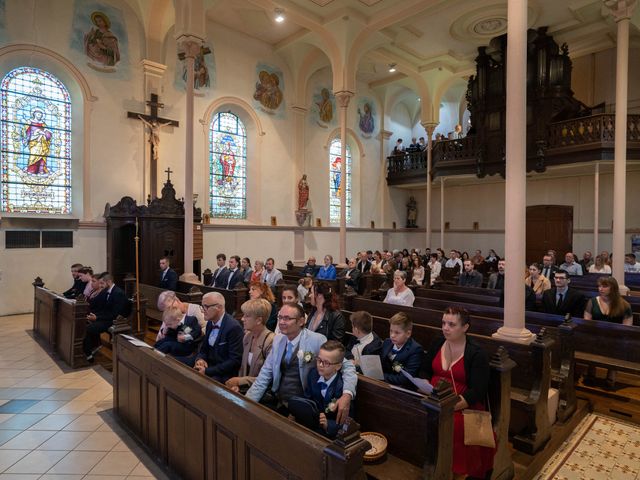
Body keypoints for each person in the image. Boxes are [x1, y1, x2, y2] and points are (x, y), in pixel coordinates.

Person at [245, 303, 356, 423]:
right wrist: (247, 403)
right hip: (279, 399)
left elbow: (346, 365)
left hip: (303, 405)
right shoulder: (278, 339)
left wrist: (347, 394)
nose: (281, 322)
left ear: (301, 321)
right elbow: (265, 375)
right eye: (280, 317)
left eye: (287, 318)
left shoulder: (316, 340)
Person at [422, 307, 495, 479]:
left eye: (451, 324)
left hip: (463, 405)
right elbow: (424, 370)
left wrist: (448, 407)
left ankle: (453, 472)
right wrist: (424, 384)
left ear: (465, 327)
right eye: (444, 323)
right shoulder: (437, 342)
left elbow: (478, 391)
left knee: (453, 426)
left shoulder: (476, 353)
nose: (445, 328)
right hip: (432, 398)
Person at [289, 340, 353, 439]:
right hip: (311, 423)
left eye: (326, 363)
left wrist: (328, 424)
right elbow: (307, 398)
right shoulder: (313, 374)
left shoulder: (342, 387)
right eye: (319, 360)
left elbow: (347, 420)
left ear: (338, 366)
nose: (320, 365)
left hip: (329, 433)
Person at [225, 299, 275, 393]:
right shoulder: (248, 336)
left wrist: (240, 381)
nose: (242, 319)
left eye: (247, 316)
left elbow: (269, 378)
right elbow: (243, 368)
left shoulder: (271, 341)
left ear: (259, 320)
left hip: (261, 392)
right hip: (245, 388)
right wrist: (238, 386)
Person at [193, 292, 244, 382]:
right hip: (209, 365)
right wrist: (200, 359)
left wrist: (208, 371)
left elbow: (234, 361)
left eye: (206, 307)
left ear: (219, 307)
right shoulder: (210, 322)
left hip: (224, 373)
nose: (202, 310)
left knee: (198, 383)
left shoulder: (233, 327)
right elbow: (204, 349)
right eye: (202, 306)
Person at [83, 273, 128, 362]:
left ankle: (88, 354)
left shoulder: (118, 293)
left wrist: (97, 318)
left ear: (109, 282)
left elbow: (115, 314)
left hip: (115, 321)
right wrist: (93, 315)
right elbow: (102, 308)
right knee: (86, 321)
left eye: (102, 283)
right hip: (107, 317)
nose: (100, 285)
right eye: (99, 283)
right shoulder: (106, 290)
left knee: (88, 328)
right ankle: (94, 346)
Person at [379, 313, 423, 388]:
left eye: (397, 332)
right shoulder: (387, 342)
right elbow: (378, 363)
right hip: (382, 384)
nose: (392, 335)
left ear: (408, 334)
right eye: (391, 331)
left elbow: (404, 379)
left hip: (402, 390)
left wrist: (380, 376)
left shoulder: (415, 350)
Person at [23, 108, 52, 174]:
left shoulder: (43, 124)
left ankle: (41, 170)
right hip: (33, 142)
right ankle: (31, 170)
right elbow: (27, 132)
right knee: (33, 155)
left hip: (43, 141)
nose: (40, 116)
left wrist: (46, 134)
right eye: (39, 114)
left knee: (43, 156)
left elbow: (48, 133)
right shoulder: (30, 122)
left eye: (41, 114)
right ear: (34, 114)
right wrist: (32, 136)